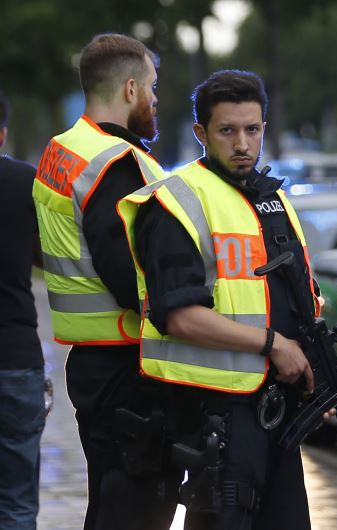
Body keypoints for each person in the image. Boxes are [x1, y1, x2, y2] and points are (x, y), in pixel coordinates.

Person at [118, 69, 327, 530]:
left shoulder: (271, 198)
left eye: (252, 130)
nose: (242, 144)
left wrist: (314, 369)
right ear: (201, 133)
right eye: (227, 131)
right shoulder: (176, 201)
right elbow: (179, 317)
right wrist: (274, 344)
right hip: (216, 414)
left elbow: (293, 297)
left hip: (275, 407)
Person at [32, 34, 177, 530]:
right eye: (153, 88)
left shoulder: (63, 150)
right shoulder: (116, 166)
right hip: (127, 365)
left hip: (93, 362)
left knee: (109, 501)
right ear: (131, 89)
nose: (157, 100)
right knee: (133, 510)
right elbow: (128, 274)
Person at [0, 91, 47, 530]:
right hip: (14, 360)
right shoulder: (25, 183)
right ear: (3, 132)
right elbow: (48, 258)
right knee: (15, 503)